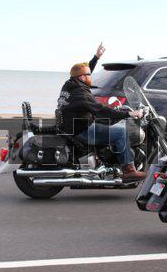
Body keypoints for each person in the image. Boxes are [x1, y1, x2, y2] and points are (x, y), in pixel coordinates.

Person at [55, 43, 146, 181]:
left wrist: (96, 57)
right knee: (121, 132)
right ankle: (129, 170)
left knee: (109, 125)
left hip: (72, 126)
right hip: (83, 130)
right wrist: (129, 114)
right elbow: (101, 110)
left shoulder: (69, 84)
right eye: (88, 75)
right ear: (82, 77)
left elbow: (85, 71)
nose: (91, 76)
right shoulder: (81, 93)